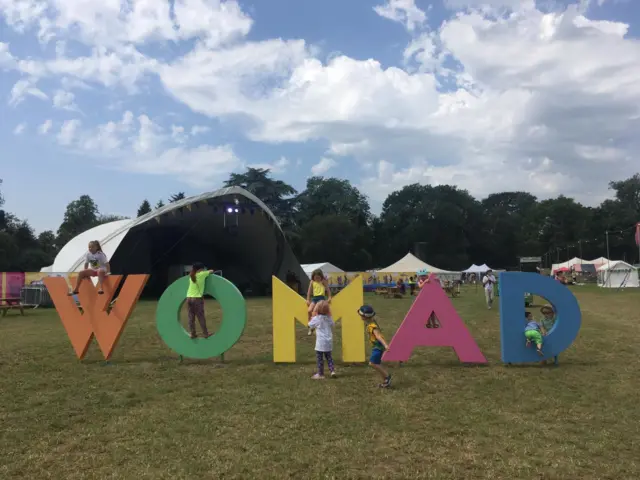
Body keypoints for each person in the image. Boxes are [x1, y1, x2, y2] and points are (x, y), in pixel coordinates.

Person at [359, 305, 392, 388]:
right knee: (376, 363)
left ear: (364, 317)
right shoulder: (370, 322)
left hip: (378, 347)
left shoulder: (372, 327)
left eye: (361, 315)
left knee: (372, 363)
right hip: (376, 346)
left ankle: (387, 376)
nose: (360, 316)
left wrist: (385, 345)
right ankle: (385, 380)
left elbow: (378, 336)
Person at [186, 262, 216, 339]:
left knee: (191, 317)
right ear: (201, 269)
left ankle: (193, 334)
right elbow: (212, 271)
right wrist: (205, 271)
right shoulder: (202, 274)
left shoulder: (191, 276)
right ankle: (205, 333)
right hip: (196, 299)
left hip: (188, 298)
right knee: (201, 317)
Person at [308, 300, 336, 379]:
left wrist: (313, 314)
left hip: (320, 343)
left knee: (320, 359)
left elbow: (309, 325)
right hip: (329, 341)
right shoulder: (329, 318)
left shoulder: (317, 318)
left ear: (317, 309)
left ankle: (320, 374)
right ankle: (332, 371)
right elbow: (333, 324)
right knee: (329, 357)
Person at [306, 269, 331, 336]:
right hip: (314, 298)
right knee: (309, 311)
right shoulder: (312, 282)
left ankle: (314, 327)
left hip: (321, 299)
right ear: (313, 277)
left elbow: (328, 290)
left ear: (321, 276)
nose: (317, 279)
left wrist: (329, 297)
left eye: (318, 277)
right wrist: (308, 299)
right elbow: (309, 292)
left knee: (314, 312)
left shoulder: (323, 281)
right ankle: (310, 326)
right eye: (315, 277)